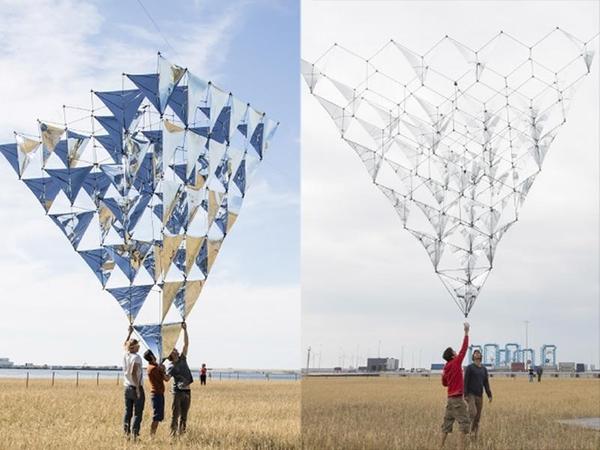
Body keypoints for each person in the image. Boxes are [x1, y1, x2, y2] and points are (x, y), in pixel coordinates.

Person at [440, 322, 470, 450]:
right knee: (464, 424)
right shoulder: (456, 362)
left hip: (449, 400)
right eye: (454, 351)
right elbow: (464, 348)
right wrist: (466, 332)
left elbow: (444, 383)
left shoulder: (446, 367)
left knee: (446, 425)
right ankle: (460, 448)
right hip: (457, 399)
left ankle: (439, 447)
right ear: (453, 355)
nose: (457, 352)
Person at [167, 321, 194, 436]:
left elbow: (186, 344)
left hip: (187, 391)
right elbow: (167, 378)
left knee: (184, 415)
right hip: (177, 393)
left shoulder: (183, 358)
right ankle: (173, 435)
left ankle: (182, 434)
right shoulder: (171, 367)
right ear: (171, 355)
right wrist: (160, 369)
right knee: (175, 415)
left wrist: (185, 330)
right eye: (174, 350)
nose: (176, 350)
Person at [464, 349, 492, 441]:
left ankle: (473, 434)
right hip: (471, 394)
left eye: (478, 353)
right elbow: (465, 381)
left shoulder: (484, 369)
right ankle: (465, 429)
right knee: (473, 412)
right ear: (473, 356)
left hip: (480, 395)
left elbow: (486, 383)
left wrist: (489, 394)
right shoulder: (470, 367)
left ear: (480, 356)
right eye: (475, 353)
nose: (477, 354)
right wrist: (465, 394)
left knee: (477, 417)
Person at [123, 326, 144, 440]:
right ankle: (135, 435)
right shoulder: (136, 357)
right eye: (137, 345)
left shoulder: (126, 354)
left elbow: (125, 345)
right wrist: (137, 388)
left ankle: (126, 434)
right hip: (135, 387)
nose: (139, 347)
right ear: (134, 347)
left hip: (126, 387)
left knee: (128, 412)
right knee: (138, 413)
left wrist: (129, 333)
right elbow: (133, 372)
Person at [144, 349, 169, 436]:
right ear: (151, 356)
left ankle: (152, 435)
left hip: (157, 394)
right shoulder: (154, 368)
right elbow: (166, 379)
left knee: (157, 416)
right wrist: (163, 370)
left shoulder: (151, 366)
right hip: (157, 394)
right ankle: (152, 436)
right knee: (156, 416)